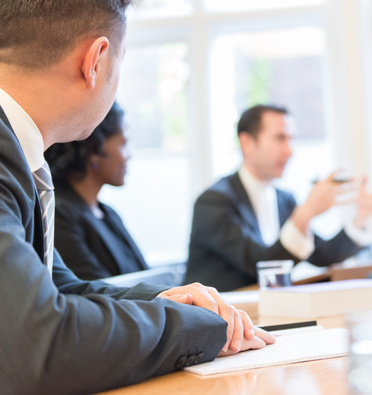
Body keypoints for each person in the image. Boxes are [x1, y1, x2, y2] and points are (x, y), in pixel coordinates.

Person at [0, 2, 273, 394]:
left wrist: (166, 300)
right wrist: (198, 327)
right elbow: (40, 342)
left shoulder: (20, 156)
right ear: (95, 60)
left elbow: (60, 288)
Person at [185, 104, 372, 291]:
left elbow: (323, 255)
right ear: (246, 143)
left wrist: (361, 217)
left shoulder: (284, 198)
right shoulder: (213, 202)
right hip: (214, 322)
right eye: (279, 138)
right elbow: (258, 265)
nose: (290, 151)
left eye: (291, 139)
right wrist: (305, 214)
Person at [45, 102, 149, 280]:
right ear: (94, 149)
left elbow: (147, 279)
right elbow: (92, 293)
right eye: (123, 144)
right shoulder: (60, 214)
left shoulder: (107, 213)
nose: (129, 155)